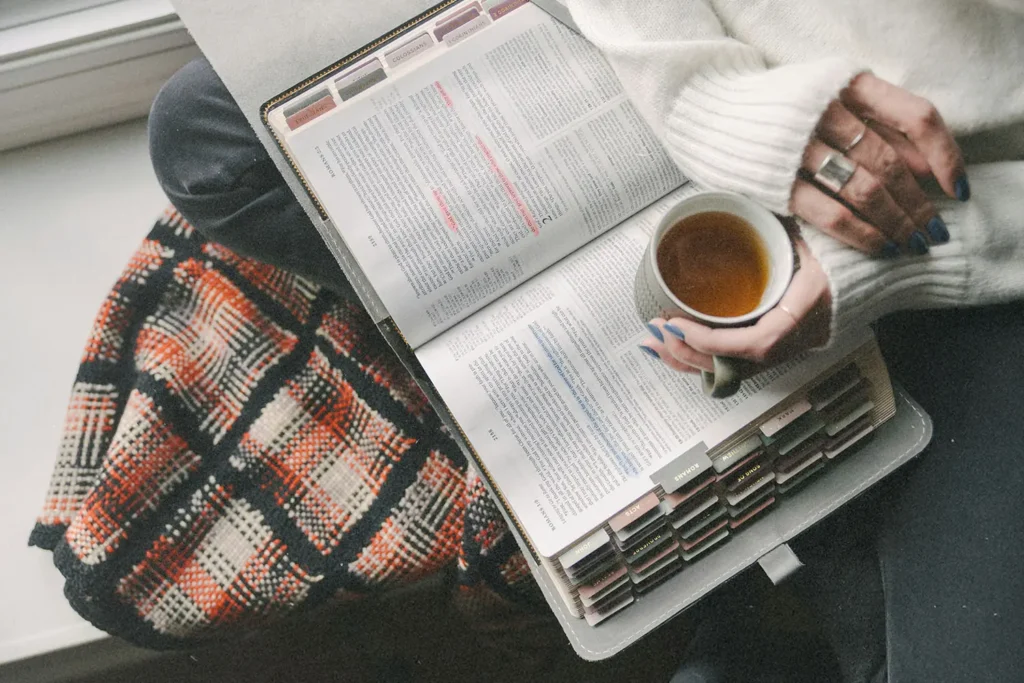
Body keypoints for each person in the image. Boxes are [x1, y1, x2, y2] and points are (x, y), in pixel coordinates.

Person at [144, 0, 1024, 679]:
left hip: (964, 221)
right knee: (207, 138)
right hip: (669, 46)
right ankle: (765, 510)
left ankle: (748, 568)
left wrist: (886, 261)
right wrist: (702, 96)